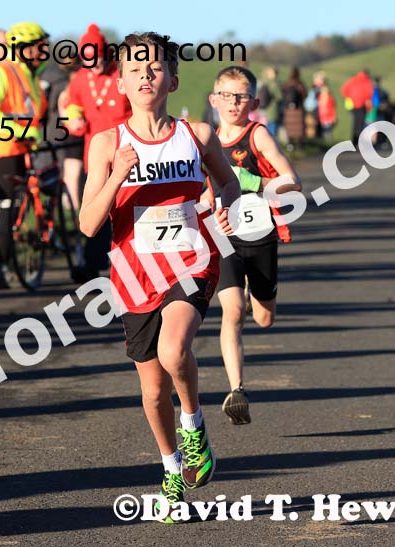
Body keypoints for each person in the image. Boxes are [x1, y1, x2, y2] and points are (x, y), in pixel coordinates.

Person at [78, 32, 241, 522]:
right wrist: (115, 176)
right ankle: (172, 467)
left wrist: (225, 205)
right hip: (134, 274)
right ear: (121, 82)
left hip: (192, 260)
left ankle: (194, 426)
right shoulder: (107, 143)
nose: (146, 75)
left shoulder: (198, 136)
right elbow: (88, 223)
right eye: (135, 68)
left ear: (172, 77)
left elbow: (228, 180)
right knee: (151, 391)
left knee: (174, 350)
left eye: (155, 68)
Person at [203, 66, 302, 425]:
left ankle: (256, 293)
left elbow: (293, 182)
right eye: (226, 96)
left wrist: (255, 182)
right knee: (232, 311)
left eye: (241, 96)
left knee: (263, 317)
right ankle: (237, 390)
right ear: (214, 100)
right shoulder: (204, 141)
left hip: (261, 235)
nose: (233, 103)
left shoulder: (257, 135)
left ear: (254, 101)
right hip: (224, 236)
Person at [0, 22, 48, 287]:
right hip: (2, 148)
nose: (44, 52)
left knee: (17, 205)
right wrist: (20, 131)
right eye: (40, 47)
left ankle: (10, 263)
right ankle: (1, 267)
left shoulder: (28, 74)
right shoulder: (0, 73)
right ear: (24, 49)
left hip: (23, 147)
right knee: (7, 206)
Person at [65, 23, 132, 281]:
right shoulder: (81, 78)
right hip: (94, 155)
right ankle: (93, 266)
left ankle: (126, 266)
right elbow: (73, 105)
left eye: (98, 60)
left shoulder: (122, 74)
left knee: (125, 210)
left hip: (126, 152)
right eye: (88, 61)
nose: (94, 66)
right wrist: (73, 119)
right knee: (96, 207)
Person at [39, 50, 84, 209]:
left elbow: (43, 104)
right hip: (65, 129)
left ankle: (66, 205)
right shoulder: (78, 76)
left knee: (62, 170)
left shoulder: (48, 75)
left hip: (57, 129)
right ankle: (68, 206)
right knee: (66, 170)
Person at [341, 69, 373, 146]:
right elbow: (370, 93)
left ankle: (354, 139)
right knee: (360, 122)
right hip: (362, 105)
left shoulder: (353, 80)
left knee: (355, 122)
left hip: (353, 105)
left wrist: (350, 97)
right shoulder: (367, 81)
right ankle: (358, 140)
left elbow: (343, 89)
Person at [280, 67, 306, 148]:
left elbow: (282, 93)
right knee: (299, 127)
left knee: (289, 126)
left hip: (288, 109)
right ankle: (299, 145)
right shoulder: (299, 84)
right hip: (298, 108)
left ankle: (290, 144)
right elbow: (305, 94)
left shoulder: (286, 84)